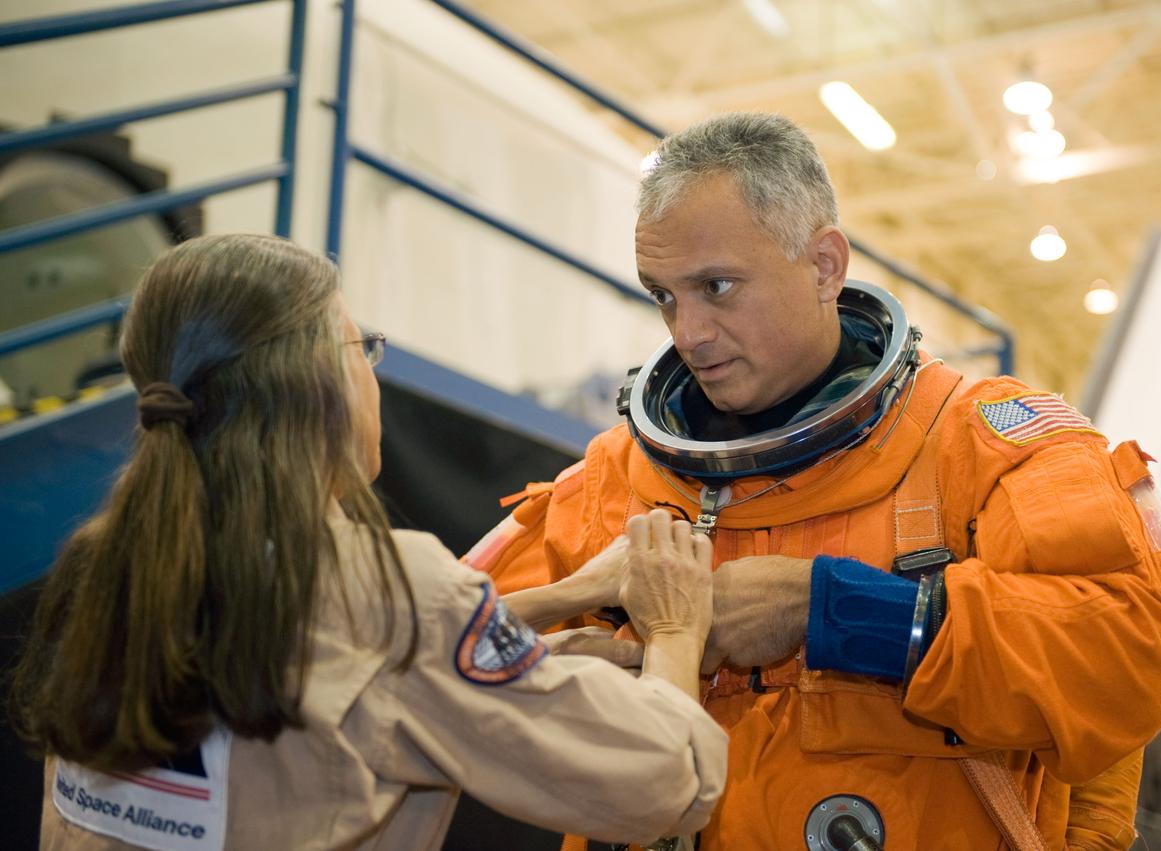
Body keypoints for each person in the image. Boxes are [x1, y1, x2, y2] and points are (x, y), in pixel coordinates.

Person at [472, 113, 1161, 851]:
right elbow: (422, 666)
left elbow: (1127, 658)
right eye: (663, 295)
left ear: (824, 265)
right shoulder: (608, 486)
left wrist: (833, 608)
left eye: (717, 287)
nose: (686, 332)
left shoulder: (981, 447)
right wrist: (549, 679)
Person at [10, 233, 727, 850]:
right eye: (364, 347)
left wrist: (567, 603)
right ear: (321, 383)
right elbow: (668, 779)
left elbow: (348, 674)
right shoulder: (389, 593)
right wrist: (674, 627)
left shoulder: (109, 561)